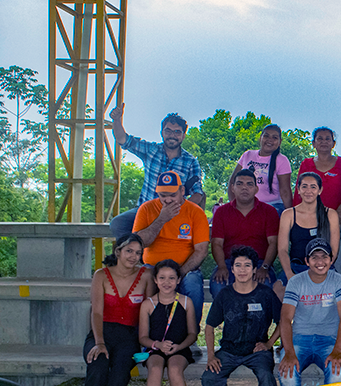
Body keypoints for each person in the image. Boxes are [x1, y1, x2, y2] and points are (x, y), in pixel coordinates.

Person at [81, 234, 155, 386]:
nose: (134, 256)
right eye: (129, 251)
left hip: (130, 337)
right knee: (98, 365)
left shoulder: (146, 275)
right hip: (101, 333)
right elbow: (96, 312)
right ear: (118, 251)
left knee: (121, 371)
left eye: (138, 253)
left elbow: (148, 311)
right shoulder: (101, 275)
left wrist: (146, 344)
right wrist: (99, 342)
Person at [201, 246, 282, 386]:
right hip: (229, 349)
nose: (243, 269)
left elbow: (283, 322)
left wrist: (269, 343)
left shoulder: (265, 294)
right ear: (232, 269)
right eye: (238, 265)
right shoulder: (225, 295)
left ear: (255, 269)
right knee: (209, 379)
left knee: (266, 377)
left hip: (257, 350)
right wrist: (211, 355)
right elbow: (210, 326)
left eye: (247, 265)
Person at [108, 104, 204, 238]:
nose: (172, 135)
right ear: (161, 133)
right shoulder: (151, 150)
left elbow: (197, 192)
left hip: (173, 211)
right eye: (168, 131)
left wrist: (180, 211)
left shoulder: (190, 161)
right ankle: (132, 256)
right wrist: (116, 120)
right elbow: (123, 140)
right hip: (145, 208)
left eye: (177, 132)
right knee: (117, 224)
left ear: (183, 135)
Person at [132, 171, 209, 329]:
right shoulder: (146, 209)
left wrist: (180, 272)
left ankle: (190, 334)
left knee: (193, 284)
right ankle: (145, 334)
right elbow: (138, 243)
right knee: (141, 281)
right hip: (152, 267)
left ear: (182, 191)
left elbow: (201, 250)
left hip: (184, 268)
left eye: (172, 195)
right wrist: (161, 219)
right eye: (163, 195)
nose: (167, 200)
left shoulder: (195, 212)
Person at [278, 239, 341, 386]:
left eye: (324, 256)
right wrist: (289, 352)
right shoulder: (296, 282)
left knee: (337, 374)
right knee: (287, 375)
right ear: (306, 261)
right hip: (299, 339)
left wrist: (337, 350)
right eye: (314, 257)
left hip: (329, 340)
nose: (320, 261)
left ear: (331, 260)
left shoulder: (338, 280)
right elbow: (285, 319)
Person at [138, 259, 197, 386]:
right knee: (155, 369)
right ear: (155, 280)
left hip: (179, 349)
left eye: (172, 278)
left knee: (174, 370)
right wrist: (158, 344)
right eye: (162, 278)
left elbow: (193, 334)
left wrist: (178, 347)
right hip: (155, 348)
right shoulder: (147, 304)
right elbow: (142, 337)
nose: (167, 282)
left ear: (178, 280)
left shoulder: (186, 302)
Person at [210, 168, 280, 299]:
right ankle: (228, 319)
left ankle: (261, 320)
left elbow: (273, 242)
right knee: (218, 284)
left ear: (256, 189)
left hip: (258, 263)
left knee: (265, 284)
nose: (244, 188)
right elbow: (216, 243)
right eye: (240, 183)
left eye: (249, 184)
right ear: (232, 188)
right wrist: (222, 267)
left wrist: (264, 267)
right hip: (230, 263)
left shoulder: (269, 211)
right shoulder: (221, 212)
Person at [275, 172, 340, 293]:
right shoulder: (288, 214)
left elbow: (334, 250)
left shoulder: (330, 214)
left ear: (320, 190)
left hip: (323, 267)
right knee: (278, 290)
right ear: (298, 189)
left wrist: (322, 270)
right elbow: (282, 250)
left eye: (313, 187)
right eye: (304, 186)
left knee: (338, 292)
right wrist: (289, 274)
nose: (308, 190)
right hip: (296, 267)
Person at [293, 127, 341, 226]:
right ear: (313, 143)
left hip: (336, 217)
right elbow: (299, 191)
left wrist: (340, 211)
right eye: (320, 139)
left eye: (327, 139)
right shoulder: (306, 164)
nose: (323, 142)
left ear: (333, 144)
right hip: (309, 217)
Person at [230, 124, 293, 214]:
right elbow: (232, 181)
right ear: (260, 138)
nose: (270, 140)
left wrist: (291, 215)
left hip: (273, 207)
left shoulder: (282, 160)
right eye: (266, 136)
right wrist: (233, 206)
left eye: (274, 138)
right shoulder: (247, 155)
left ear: (280, 142)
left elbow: (285, 191)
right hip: (247, 206)